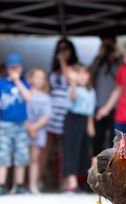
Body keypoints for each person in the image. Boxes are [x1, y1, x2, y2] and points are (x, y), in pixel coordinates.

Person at [41, 38, 79, 190]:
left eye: (66, 49)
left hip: (65, 109)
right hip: (51, 109)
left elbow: (70, 81)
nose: (62, 52)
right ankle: (40, 180)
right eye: (60, 49)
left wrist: (63, 62)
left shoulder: (74, 68)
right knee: (46, 147)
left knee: (65, 149)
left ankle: (65, 182)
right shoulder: (53, 70)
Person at [0, 53, 32, 195]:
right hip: (5, 124)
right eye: (12, 67)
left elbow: (28, 97)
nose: (15, 70)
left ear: (21, 68)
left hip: (21, 124)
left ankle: (19, 184)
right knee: (3, 154)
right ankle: (1, 185)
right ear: (8, 68)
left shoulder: (25, 82)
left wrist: (18, 82)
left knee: (21, 154)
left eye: (18, 67)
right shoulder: (1, 83)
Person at [62, 65, 96, 193]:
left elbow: (90, 109)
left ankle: (77, 180)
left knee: (82, 150)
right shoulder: (71, 88)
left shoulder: (91, 90)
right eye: (79, 74)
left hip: (84, 120)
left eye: (85, 74)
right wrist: (73, 82)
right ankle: (72, 182)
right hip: (72, 119)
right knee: (71, 149)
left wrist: (90, 124)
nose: (82, 77)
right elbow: (73, 97)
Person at [90, 36, 121, 155]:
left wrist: (116, 55)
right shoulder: (98, 61)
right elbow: (90, 74)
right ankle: (98, 165)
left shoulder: (119, 61)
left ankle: (112, 166)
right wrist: (101, 55)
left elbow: (122, 76)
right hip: (98, 105)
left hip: (115, 107)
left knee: (114, 139)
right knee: (97, 138)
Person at [26, 68, 51, 194]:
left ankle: (32, 184)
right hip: (24, 128)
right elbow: (20, 112)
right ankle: (16, 184)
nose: (39, 80)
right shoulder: (25, 93)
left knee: (35, 158)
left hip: (39, 130)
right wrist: (29, 127)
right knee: (20, 157)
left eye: (42, 77)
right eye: (37, 77)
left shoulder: (46, 97)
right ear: (30, 79)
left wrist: (34, 127)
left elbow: (46, 117)